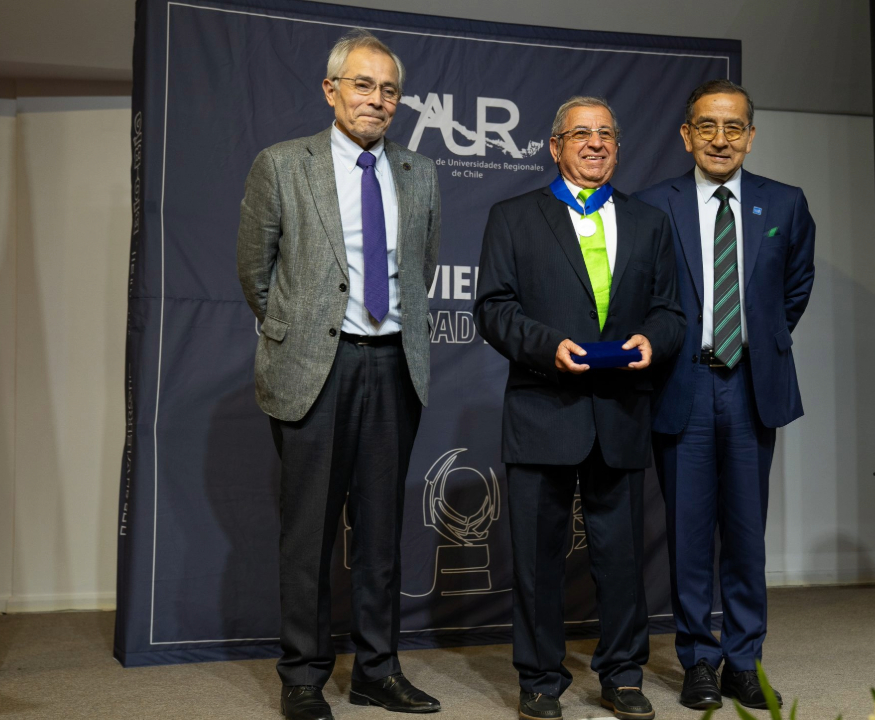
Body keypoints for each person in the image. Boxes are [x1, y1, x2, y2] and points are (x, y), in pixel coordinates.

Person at [236, 30, 442, 720]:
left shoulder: (420, 172)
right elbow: (255, 273)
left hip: (394, 366)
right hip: (313, 369)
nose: (376, 99)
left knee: (381, 535)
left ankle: (377, 671)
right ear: (331, 91)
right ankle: (302, 676)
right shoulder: (281, 165)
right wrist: (302, 330)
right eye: (362, 85)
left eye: (389, 90)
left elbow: (421, 269)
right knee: (309, 535)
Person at [474, 96, 685, 720]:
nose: (595, 144)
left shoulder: (649, 222)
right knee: (538, 561)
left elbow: (670, 312)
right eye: (581, 134)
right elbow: (493, 308)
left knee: (621, 559)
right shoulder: (513, 217)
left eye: (606, 135)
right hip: (543, 408)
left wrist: (654, 340)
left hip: (620, 413)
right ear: (555, 146)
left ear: (618, 146)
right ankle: (540, 679)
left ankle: (623, 675)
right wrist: (548, 348)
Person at [634, 79, 816, 711]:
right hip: (681, 385)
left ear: (751, 136)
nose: (720, 139)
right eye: (707, 126)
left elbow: (795, 288)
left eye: (733, 127)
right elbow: (642, 294)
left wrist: (756, 341)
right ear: (686, 135)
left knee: (745, 534)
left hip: (750, 388)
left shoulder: (785, 203)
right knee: (688, 535)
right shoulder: (652, 205)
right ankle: (698, 660)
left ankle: (743, 660)